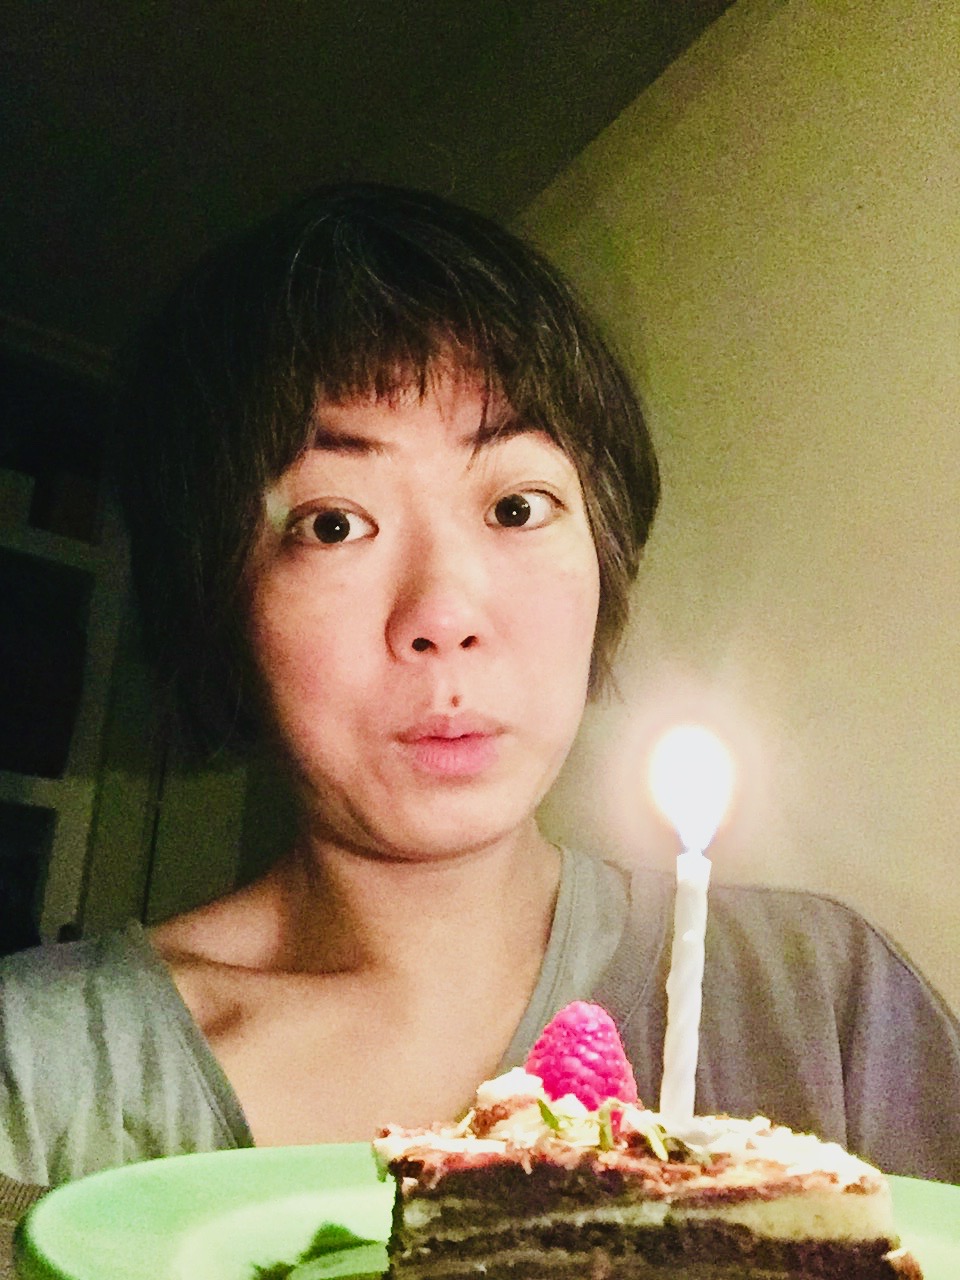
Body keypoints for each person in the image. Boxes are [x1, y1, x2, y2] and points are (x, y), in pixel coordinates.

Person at [1, 184, 959, 1198]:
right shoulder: (40, 1075)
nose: (444, 611)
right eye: (332, 524)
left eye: (516, 506)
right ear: (217, 600)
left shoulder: (821, 1001)